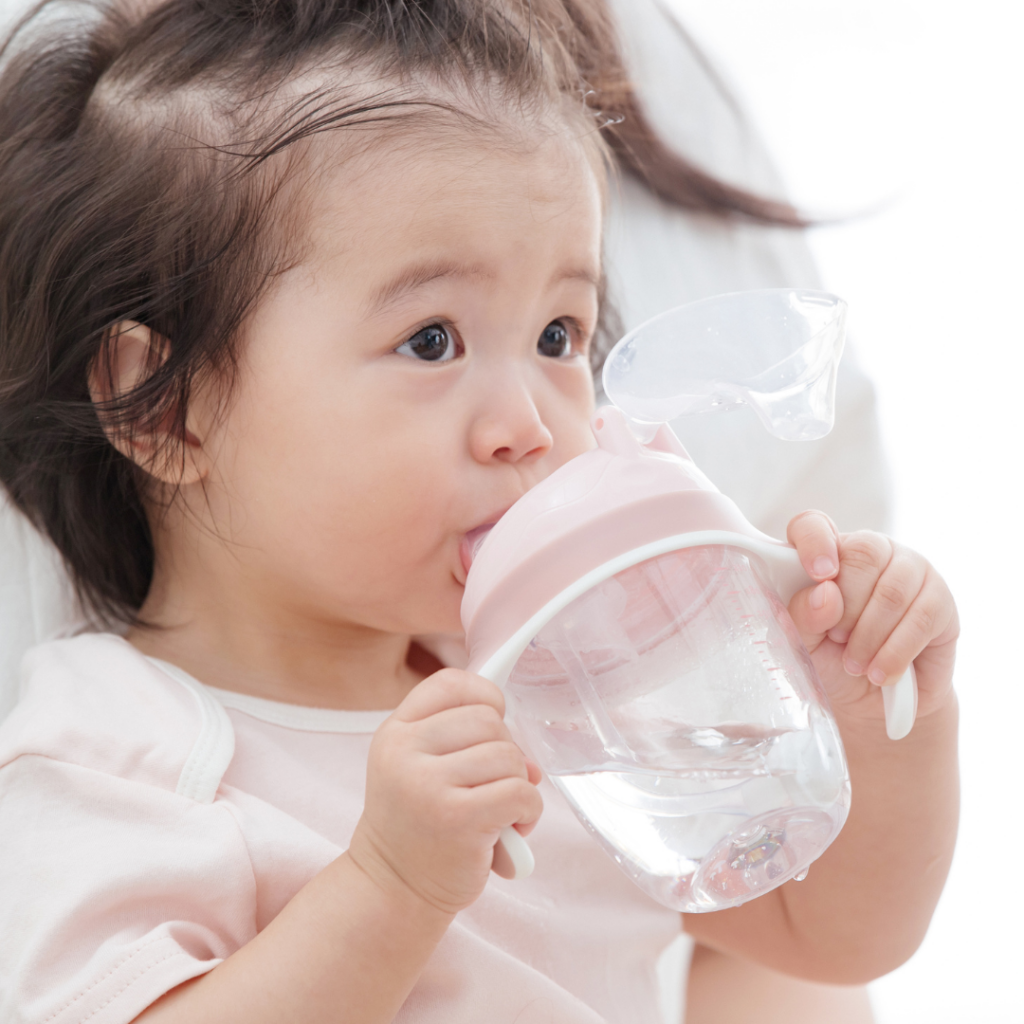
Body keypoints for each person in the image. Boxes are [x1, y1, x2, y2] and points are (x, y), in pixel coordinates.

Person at [0, 2, 958, 1023]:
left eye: (557, 334)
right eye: (430, 341)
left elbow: (832, 935)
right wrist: (390, 886)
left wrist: (886, 715)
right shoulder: (110, 744)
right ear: (167, 406)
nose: (529, 425)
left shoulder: (563, 686)